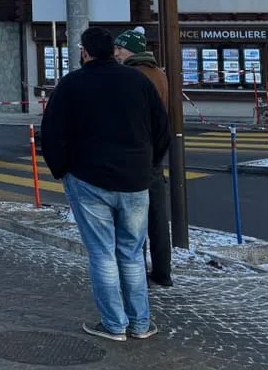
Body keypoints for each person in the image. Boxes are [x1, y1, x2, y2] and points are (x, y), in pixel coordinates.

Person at [40, 26, 170, 343]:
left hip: (89, 179)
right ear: (114, 51)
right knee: (131, 252)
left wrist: (62, 170)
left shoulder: (72, 84)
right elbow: (162, 129)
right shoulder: (138, 81)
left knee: (102, 254)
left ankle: (114, 324)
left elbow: (51, 133)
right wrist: (149, 165)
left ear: (84, 52)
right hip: (136, 179)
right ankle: (140, 323)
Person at [113, 27, 173, 288]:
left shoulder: (129, 76)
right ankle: (163, 271)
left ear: (132, 51)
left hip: (134, 155)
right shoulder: (160, 74)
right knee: (158, 217)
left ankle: (136, 274)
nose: (116, 53)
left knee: (134, 219)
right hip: (154, 155)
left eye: (120, 49)